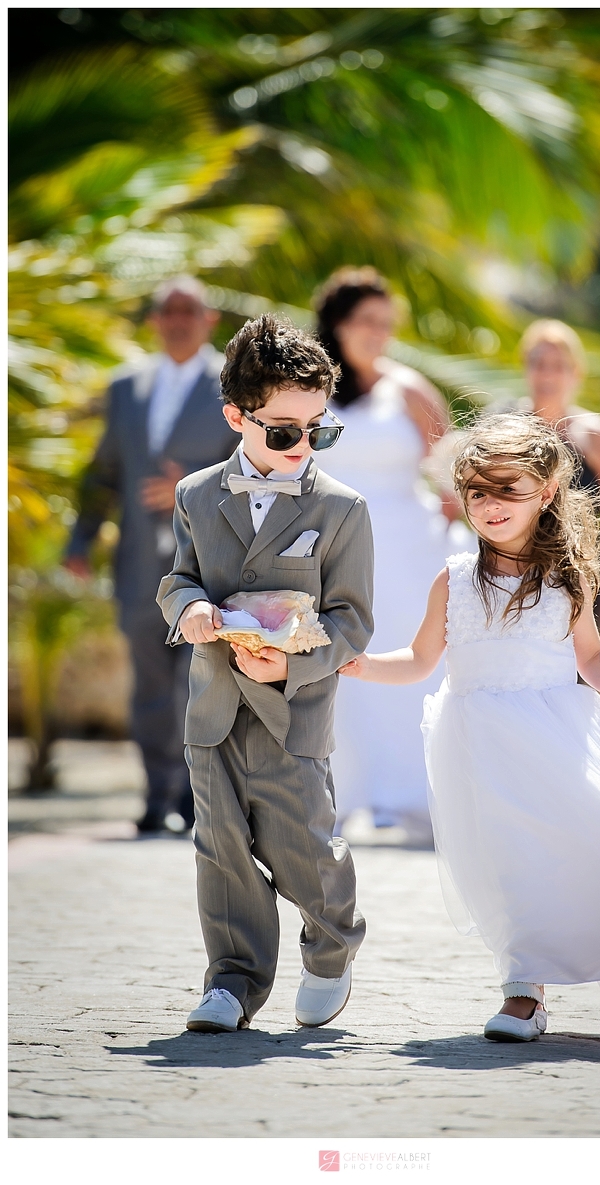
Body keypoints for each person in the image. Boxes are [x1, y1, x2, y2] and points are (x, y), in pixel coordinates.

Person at [341, 413, 600, 1042]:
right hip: (477, 743)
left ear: (543, 492)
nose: (492, 505)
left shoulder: (565, 578)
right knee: (509, 864)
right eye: (478, 491)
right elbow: (423, 659)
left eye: (509, 489)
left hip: (555, 737)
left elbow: (589, 657)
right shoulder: (452, 579)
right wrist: (362, 664)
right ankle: (523, 992)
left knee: (591, 846)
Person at [158, 314, 374, 1034]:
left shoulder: (344, 509)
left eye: (320, 429)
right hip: (214, 705)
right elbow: (179, 579)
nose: (303, 444)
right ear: (236, 416)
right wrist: (188, 607)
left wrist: (291, 659)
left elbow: (352, 622)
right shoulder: (195, 495)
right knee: (218, 846)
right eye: (283, 430)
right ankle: (232, 981)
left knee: (301, 846)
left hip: (293, 711)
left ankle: (333, 943)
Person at [66, 275, 239, 833]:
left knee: (202, 680)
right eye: (168, 310)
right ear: (154, 321)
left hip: (210, 564)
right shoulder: (125, 387)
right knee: (149, 688)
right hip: (140, 564)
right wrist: (80, 541)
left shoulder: (234, 387)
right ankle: (154, 792)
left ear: (209, 319)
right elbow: (104, 472)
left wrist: (186, 486)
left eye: (190, 309)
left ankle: (193, 796)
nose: (179, 320)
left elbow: (253, 469)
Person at [313, 266, 463, 844]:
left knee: (409, 665)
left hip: (408, 554)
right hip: (331, 549)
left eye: (385, 322)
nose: (377, 332)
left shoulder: (410, 389)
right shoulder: (310, 391)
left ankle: (412, 795)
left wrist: (452, 506)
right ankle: (344, 794)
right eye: (364, 321)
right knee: (338, 671)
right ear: (337, 324)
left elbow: (452, 467)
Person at [519, 319, 600, 628]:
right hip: (517, 578)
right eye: (539, 363)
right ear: (526, 368)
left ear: (575, 373)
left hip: (579, 582)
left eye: (558, 365)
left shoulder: (594, 434)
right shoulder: (509, 428)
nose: (547, 373)